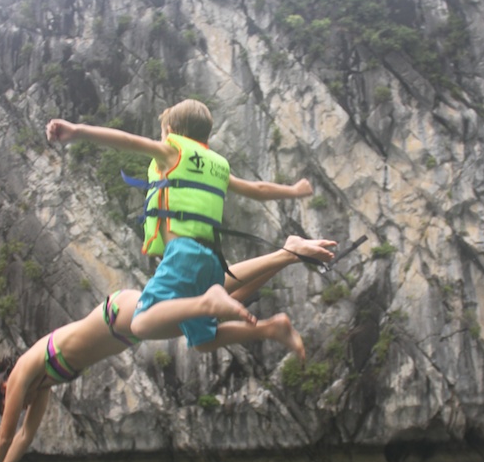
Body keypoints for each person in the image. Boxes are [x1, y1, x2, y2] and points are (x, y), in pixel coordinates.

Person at [0, 236, 336, 462]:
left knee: (209, 297)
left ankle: (287, 253)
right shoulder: (42, 384)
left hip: (119, 317)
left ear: (3, 393)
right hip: (126, 329)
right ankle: (275, 313)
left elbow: (5, 436)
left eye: (15, 404)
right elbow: (23, 439)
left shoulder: (21, 375)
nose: (23, 405)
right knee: (205, 330)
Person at [46, 99, 314, 348]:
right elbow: (258, 188)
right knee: (203, 342)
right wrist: (294, 190)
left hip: (182, 255)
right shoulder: (217, 166)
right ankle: (271, 328)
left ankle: (209, 302)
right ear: (205, 137)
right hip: (210, 260)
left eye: (163, 133)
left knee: (141, 322)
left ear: (171, 131)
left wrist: (77, 131)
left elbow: (126, 140)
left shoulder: (171, 152)